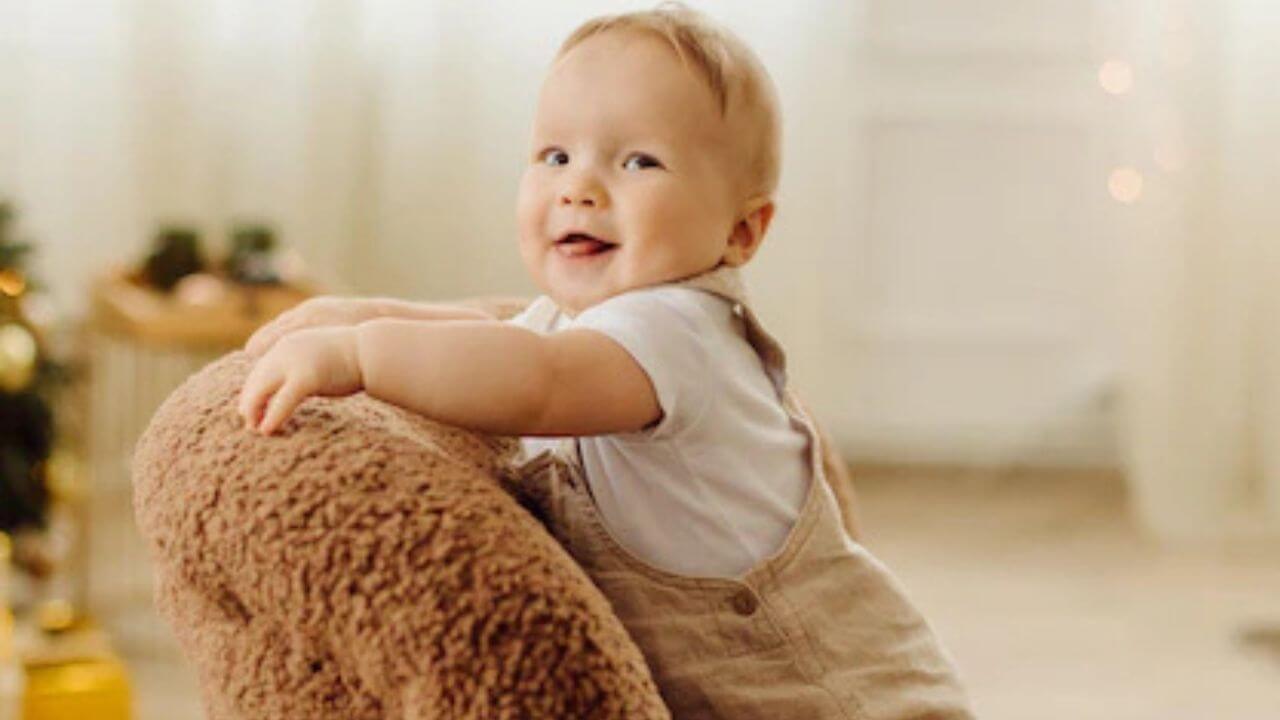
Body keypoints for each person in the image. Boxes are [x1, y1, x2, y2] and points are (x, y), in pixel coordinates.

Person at [238, 5, 972, 717]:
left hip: (834, 698)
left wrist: (358, 353)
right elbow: (491, 332)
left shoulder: (676, 332)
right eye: (555, 156)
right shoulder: (583, 324)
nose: (578, 188)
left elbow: (534, 380)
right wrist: (364, 312)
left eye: (639, 161)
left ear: (742, 232)